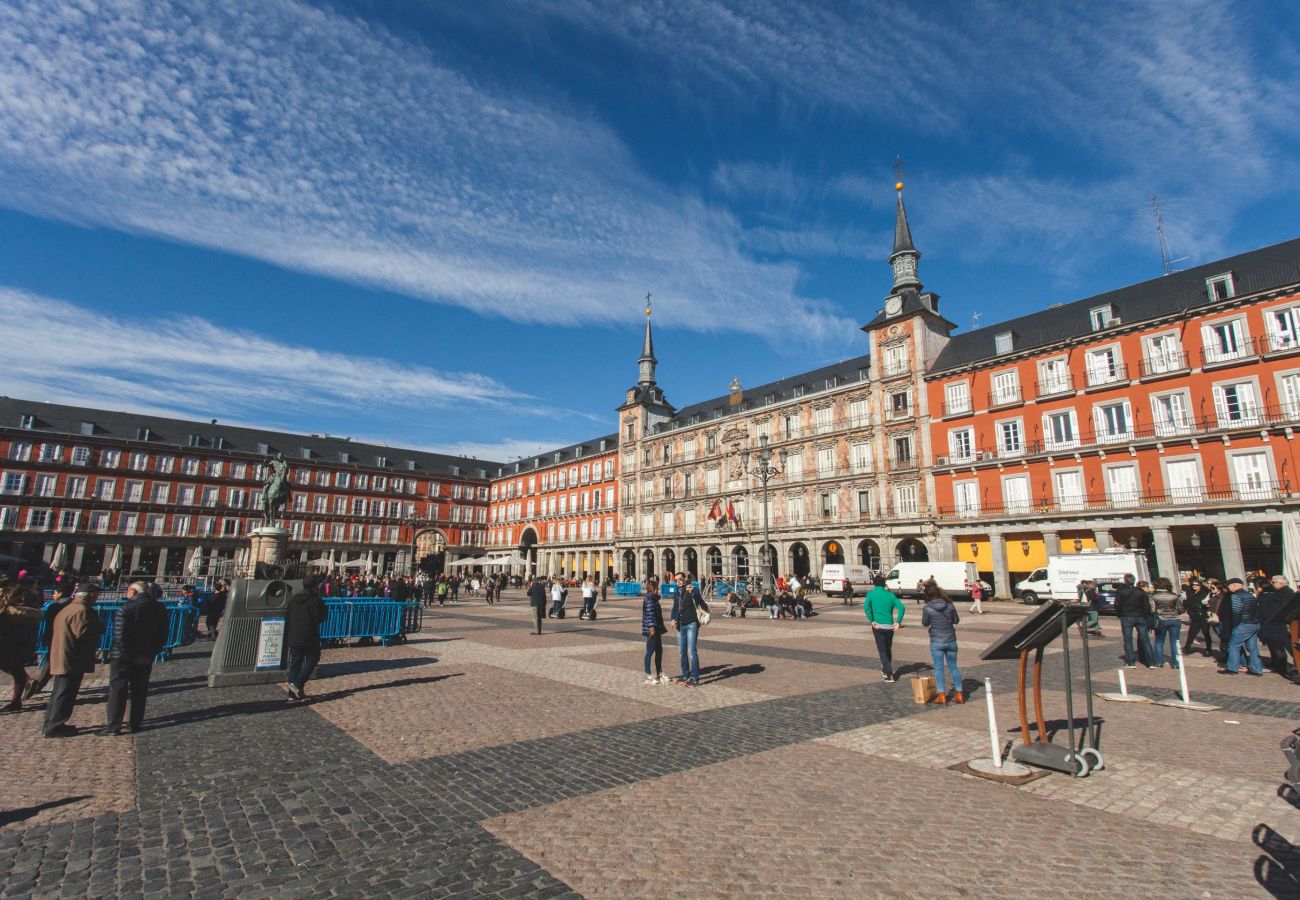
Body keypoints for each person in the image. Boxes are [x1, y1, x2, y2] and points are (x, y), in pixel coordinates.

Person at [105, 580, 169, 734]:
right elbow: (162, 635)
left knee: (118, 690)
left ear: (133, 592)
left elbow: (119, 636)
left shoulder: (125, 608)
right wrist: (150, 653)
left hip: (122, 657)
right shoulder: (160, 608)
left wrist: (130, 655)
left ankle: (114, 726)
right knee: (140, 691)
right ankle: (135, 724)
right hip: (145, 656)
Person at [43, 581, 104, 737]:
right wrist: (99, 626)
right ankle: (55, 726)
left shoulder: (69, 608)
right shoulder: (82, 611)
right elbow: (83, 632)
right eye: (96, 595)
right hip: (72, 657)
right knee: (65, 693)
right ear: (91, 596)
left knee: (59, 692)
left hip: (63, 654)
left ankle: (52, 723)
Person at [23, 582, 75, 702]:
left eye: (55, 593)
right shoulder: (72, 604)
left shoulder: (55, 606)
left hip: (55, 637)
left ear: (60, 593)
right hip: (69, 638)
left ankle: (38, 686)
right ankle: (40, 685)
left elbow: (49, 624)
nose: (53, 595)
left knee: (51, 662)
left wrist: (46, 637)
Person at [284, 575, 328, 701]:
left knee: (295, 664)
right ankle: (298, 684)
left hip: (294, 636)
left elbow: (287, 618)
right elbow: (319, 618)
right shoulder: (315, 601)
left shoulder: (293, 600)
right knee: (313, 659)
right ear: (315, 586)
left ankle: (292, 695)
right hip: (309, 636)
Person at [0, 576, 41, 712]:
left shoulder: (7, 610)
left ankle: (17, 700)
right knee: (16, 670)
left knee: (16, 670)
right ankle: (17, 701)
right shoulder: (26, 608)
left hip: (6, 643)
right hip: (21, 645)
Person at [921, 580, 963, 704]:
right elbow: (956, 621)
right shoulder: (950, 605)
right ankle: (959, 693)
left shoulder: (927, 608)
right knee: (953, 667)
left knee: (938, 668)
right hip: (951, 640)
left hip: (936, 641)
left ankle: (942, 695)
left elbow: (925, 623)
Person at [863, 575, 905, 682]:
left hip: (878, 626)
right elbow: (902, 607)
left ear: (874, 583)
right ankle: (885, 669)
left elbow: (866, 608)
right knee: (887, 648)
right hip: (890, 627)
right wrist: (898, 622)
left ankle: (889, 673)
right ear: (884, 583)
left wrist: (872, 620)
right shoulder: (890, 595)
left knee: (882, 650)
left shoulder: (871, 594)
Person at [1221, 576, 1264, 676]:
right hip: (1254, 623)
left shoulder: (1236, 596)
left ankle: (1232, 668)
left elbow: (1236, 612)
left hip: (1243, 624)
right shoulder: (1250, 595)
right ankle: (1257, 669)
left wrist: (1235, 625)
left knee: (1233, 645)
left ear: (1234, 585)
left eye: (1229, 586)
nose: (1228, 588)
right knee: (1253, 648)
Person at [670, 574, 707, 686]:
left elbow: (700, 602)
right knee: (682, 651)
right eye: (676, 580)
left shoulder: (693, 590)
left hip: (691, 623)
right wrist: (673, 618)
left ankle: (695, 678)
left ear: (685, 579)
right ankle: (685, 674)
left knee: (691, 651)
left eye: (680, 579)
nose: (678, 582)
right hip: (680, 624)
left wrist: (693, 593)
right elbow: (675, 608)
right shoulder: (677, 592)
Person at [1114, 573, 1154, 669]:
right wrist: (1146, 616)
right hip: (1140, 616)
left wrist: (1119, 614)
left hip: (1127, 616)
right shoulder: (1140, 591)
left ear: (1125, 580)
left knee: (1128, 640)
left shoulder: (1121, 591)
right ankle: (1151, 662)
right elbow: (1146, 605)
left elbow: (1117, 604)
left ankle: (1131, 662)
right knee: (1145, 639)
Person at [1259, 575, 1295, 677]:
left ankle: (1285, 668)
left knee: (1287, 647)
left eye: (1273, 582)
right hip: (1279, 624)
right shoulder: (1279, 593)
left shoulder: (1286, 592)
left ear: (1281, 583)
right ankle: (1281, 666)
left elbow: (1285, 609)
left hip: (1282, 624)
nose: (1272, 584)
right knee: (1282, 647)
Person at [1149, 577, 1183, 668]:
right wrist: (1175, 612)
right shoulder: (1174, 595)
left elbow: (1152, 609)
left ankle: (1159, 662)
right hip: (1174, 619)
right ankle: (1176, 663)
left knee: (1159, 641)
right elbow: (1181, 609)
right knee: (1175, 642)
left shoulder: (1153, 596)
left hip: (1161, 619)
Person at [641, 578, 668, 684]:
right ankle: (647, 674)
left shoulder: (653, 599)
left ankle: (659, 673)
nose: (658, 590)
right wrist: (652, 628)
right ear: (654, 589)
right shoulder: (650, 599)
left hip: (657, 628)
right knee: (650, 651)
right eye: (657, 588)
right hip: (652, 630)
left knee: (659, 651)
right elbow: (650, 614)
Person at [1180, 578, 1213, 657]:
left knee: (1206, 633)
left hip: (1204, 616)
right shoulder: (1189, 593)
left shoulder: (1205, 593)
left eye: (1197, 585)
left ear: (1200, 586)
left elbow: (1208, 603)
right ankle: (1187, 648)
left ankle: (1208, 649)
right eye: (1193, 585)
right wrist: (1190, 613)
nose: (1194, 586)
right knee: (1191, 633)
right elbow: (1186, 604)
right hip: (1194, 616)